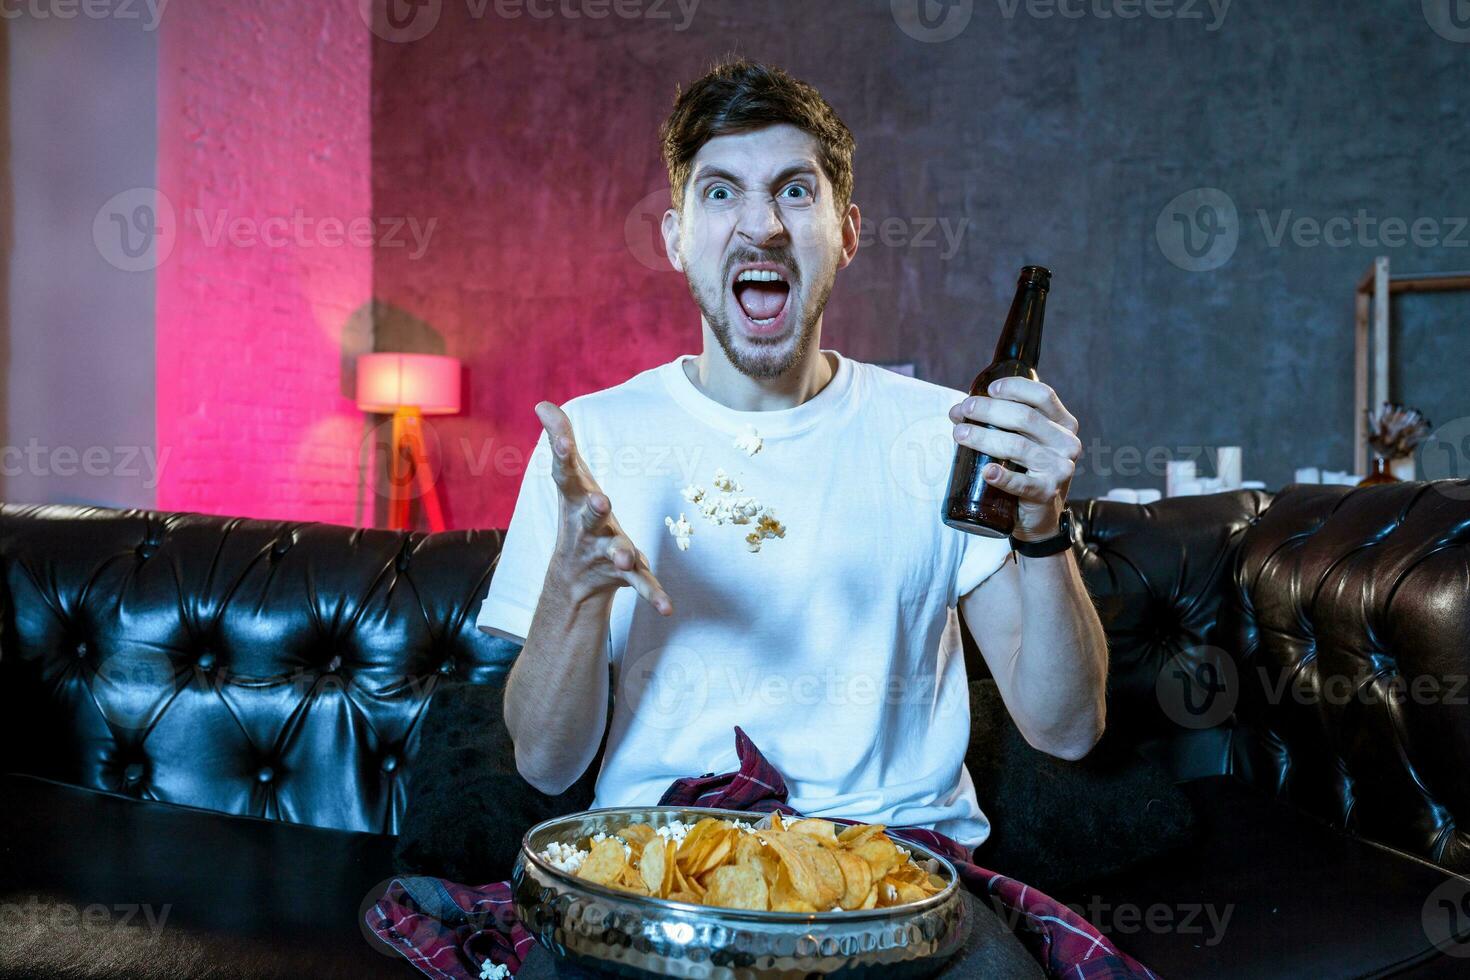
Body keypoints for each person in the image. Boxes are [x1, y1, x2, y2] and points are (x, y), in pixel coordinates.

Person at [477, 59, 1107, 852]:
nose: (762, 225)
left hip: (896, 872)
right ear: (675, 239)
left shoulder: (941, 433)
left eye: (795, 190)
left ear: (846, 234)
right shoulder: (589, 443)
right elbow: (543, 764)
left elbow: (1068, 730)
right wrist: (574, 589)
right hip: (658, 864)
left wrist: (1044, 525)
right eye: (718, 192)